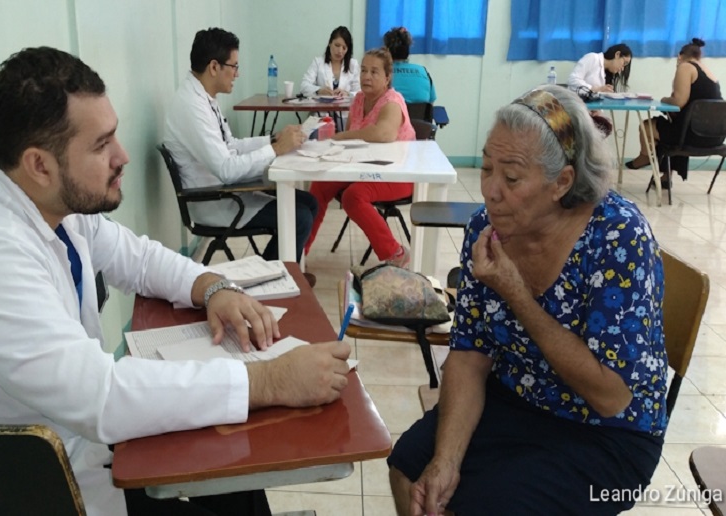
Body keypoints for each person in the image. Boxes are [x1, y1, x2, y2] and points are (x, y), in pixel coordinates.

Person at [0, 46, 353, 516]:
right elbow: (101, 396)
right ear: (40, 164)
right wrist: (271, 381)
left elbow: (134, 257)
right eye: (101, 145)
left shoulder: (42, 196)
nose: (123, 156)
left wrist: (213, 286)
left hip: (77, 448)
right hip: (14, 486)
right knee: (228, 464)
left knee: (233, 479)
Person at [388, 85, 667, 516]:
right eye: (485, 168)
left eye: (512, 177)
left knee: (487, 504)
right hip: (516, 397)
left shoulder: (617, 237)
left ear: (562, 182)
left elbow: (611, 396)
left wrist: (516, 293)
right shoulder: (488, 228)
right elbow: (469, 353)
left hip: (605, 431)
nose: (491, 191)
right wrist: (446, 461)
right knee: (411, 469)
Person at [164, 28, 318, 266]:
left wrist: (273, 139)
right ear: (214, 67)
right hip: (214, 200)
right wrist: (276, 150)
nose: (237, 73)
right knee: (300, 217)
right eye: (234, 66)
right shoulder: (191, 107)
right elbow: (226, 169)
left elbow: (231, 145)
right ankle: (268, 280)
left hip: (226, 190)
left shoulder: (203, 98)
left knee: (309, 202)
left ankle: (273, 271)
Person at [304, 47, 416, 267]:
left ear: (387, 77)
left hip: (398, 173)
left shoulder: (392, 100)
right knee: (320, 186)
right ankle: (300, 251)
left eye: (374, 72)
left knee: (353, 196)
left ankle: (395, 252)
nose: (366, 76)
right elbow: (351, 142)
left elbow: (383, 134)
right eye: (363, 70)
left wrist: (341, 136)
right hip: (363, 168)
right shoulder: (358, 101)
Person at [626, 38, 722, 185]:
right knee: (672, 124)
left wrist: (665, 99)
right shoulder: (709, 73)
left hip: (690, 136)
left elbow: (679, 101)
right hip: (715, 138)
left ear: (679, 56)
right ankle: (665, 178)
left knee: (647, 127)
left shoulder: (685, 67)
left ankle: (644, 157)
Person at [299, 26, 360, 98]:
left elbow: (360, 92)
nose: (340, 51)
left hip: (345, 108)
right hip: (321, 108)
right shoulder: (318, 62)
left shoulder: (353, 64)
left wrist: (347, 94)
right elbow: (304, 86)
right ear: (330, 43)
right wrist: (319, 91)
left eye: (344, 48)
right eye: (337, 45)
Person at [383, 26, 436, 105]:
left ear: (387, 50)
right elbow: (431, 101)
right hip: (420, 117)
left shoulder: (383, 73)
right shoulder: (423, 71)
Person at [568, 43, 633, 94]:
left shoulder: (607, 74)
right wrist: (596, 89)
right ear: (617, 54)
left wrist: (598, 110)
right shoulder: (592, 58)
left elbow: (598, 100)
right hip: (574, 106)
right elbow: (573, 80)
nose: (622, 69)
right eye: (624, 63)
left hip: (590, 109)